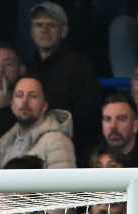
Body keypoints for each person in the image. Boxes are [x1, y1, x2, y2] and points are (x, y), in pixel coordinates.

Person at [24, 1, 100, 162]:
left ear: (63, 31)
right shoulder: (27, 70)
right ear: (31, 31)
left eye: (51, 25)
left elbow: (87, 124)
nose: (44, 30)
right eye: (39, 25)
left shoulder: (81, 68)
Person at [0, 76, 75, 169]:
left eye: (33, 96)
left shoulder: (56, 142)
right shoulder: (6, 143)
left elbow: (63, 182)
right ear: (12, 105)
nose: (25, 100)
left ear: (44, 107)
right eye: (19, 95)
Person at [101, 94, 138, 170]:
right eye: (107, 119)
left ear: (135, 126)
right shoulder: (90, 160)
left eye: (121, 119)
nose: (113, 126)